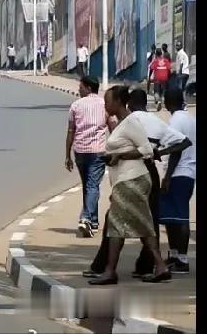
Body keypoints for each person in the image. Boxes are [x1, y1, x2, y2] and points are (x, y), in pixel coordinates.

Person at [85, 88, 191, 279]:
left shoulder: (134, 121)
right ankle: (150, 265)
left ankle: (107, 269)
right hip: (138, 175)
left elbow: (145, 149)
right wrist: (160, 152)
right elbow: (182, 142)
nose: (105, 106)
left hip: (135, 176)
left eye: (108, 101)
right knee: (145, 223)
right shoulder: (148, 121)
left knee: (117, 222)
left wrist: (125, 155)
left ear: (125, 102)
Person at [65, 76, 109, 237]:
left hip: (80, 151)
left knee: (88, 185)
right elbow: (112, 125)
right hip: (98, 151)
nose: (79, 90)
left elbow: (71, 131)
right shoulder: (105, 104)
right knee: (92, 186)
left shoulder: (76, 105)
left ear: (89, 88)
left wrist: (67, 155)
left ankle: (90, 219)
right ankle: (89, 219)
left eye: (81, 87)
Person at [160, 87, 196, 274]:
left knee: (180, 217)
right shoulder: (191, 119)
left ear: (168, 101)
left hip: (178, 173)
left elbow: (176, 149)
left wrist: (167, 177)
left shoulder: (175, 120)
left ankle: (182, 259)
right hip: (189, 172)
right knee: (171, 217)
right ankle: (174, 255)